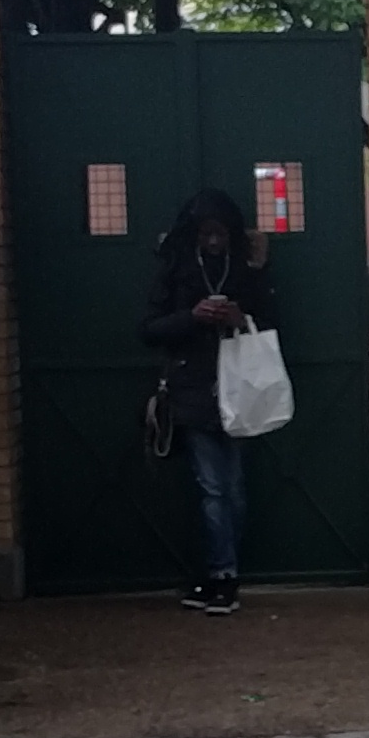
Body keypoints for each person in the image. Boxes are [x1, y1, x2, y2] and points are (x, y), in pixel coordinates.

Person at [141, 185, 273, 613]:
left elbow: (270, 318)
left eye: (219, 234)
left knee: (230, 488)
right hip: (194, 389)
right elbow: (148, 329)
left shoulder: (244, 269)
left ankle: (221, 575)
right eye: (206, 234)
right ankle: (223, 574)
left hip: (238, 387)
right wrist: (192, 317)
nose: (214, 242)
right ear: (194, 235)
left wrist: (238, 317)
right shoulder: (176, 268)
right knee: (214, 488)